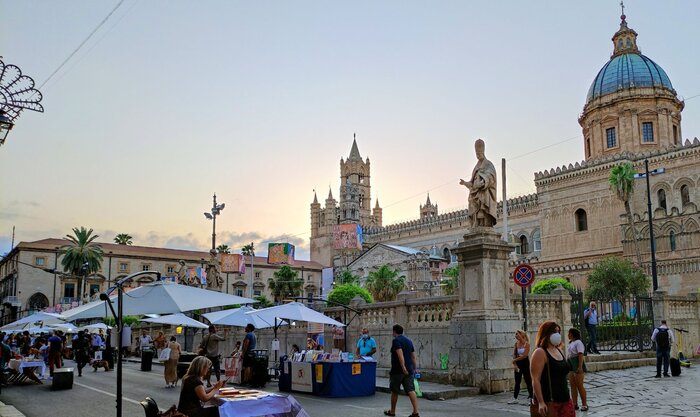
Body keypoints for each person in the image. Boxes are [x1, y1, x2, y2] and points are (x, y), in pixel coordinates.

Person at [530, 321, 574, 417]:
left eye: (558, 331)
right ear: (546, 333)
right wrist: (541, 402)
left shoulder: (559, 350)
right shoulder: (540, 352)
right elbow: (535, 379)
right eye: (554, 332)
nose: (557, 334)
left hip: (565, 400)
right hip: (550, 402)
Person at [459, 138, 498, 228]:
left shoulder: (488, 164)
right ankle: (477, 225)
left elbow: (491, 175)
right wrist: (465, 183)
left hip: (485, 193)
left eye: (479, 154)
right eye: (476, 154)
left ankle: (485, 224)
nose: (478, 156)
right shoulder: (476, 167)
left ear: (483, 152)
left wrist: (483, 182)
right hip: (476, 193)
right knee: (476, 210)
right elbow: (472, 183)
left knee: (483, 209)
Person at [385, 324, 419, 417]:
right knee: (411, 390)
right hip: (410, 370)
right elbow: (413, 356)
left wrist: (403, 367)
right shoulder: (409, 341)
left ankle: (392, 411)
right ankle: (415, 412)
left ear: (394, 331)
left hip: (398, 370)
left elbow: (400, 354)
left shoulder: (396, 341)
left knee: (395, 391)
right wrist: (415, 368)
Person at [509, 329, 533, 405]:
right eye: (515, 334)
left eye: (517, 334)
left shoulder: (527, 344)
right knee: (517, 381)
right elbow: (514, 354)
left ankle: (531, 397)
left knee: (528, 380)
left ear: (522, 335)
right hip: (518, 364)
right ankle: (515, 398)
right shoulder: (516, 344)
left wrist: (515, 360)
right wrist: (515, 363)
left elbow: (525, 355)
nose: (516, 336)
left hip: (525, 363)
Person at [566, 328, 588, 411]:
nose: (568, 335)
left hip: (576, 362)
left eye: (569, 333)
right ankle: (574, 403)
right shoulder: (571, 343)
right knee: (573, 385)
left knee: (579, 385)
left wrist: (580, 366)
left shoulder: (578, 342)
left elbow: (580, 354)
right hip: (571, 363)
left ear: (572, 334)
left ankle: (584, 404)